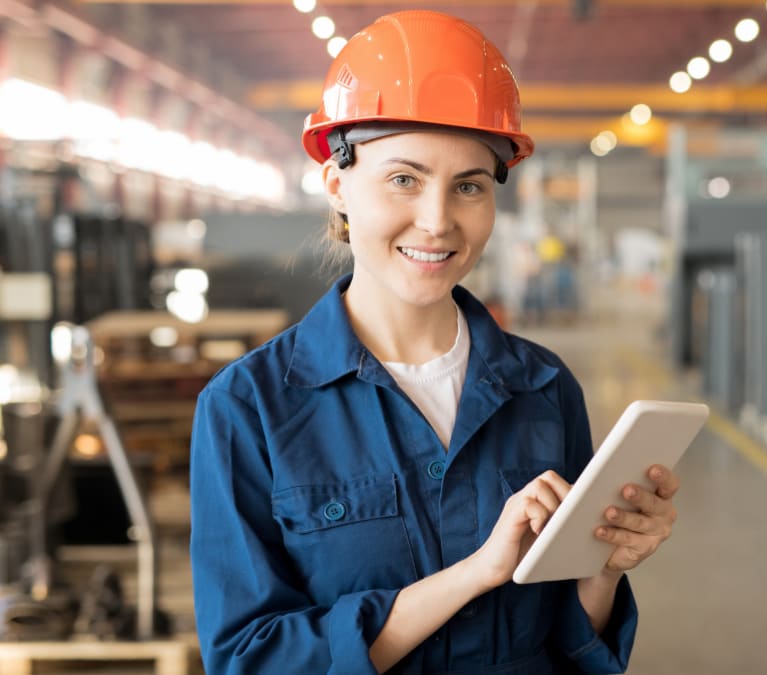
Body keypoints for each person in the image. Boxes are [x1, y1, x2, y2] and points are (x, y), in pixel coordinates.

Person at [189, 10, 682, 675]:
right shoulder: (249, 409)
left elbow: (571, 644)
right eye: (403, 179)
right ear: (337, 185)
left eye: (469, 186)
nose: (437, 220)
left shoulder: (543, 389)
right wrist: (474, 574)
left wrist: (603, 567)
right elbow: (251, 659)